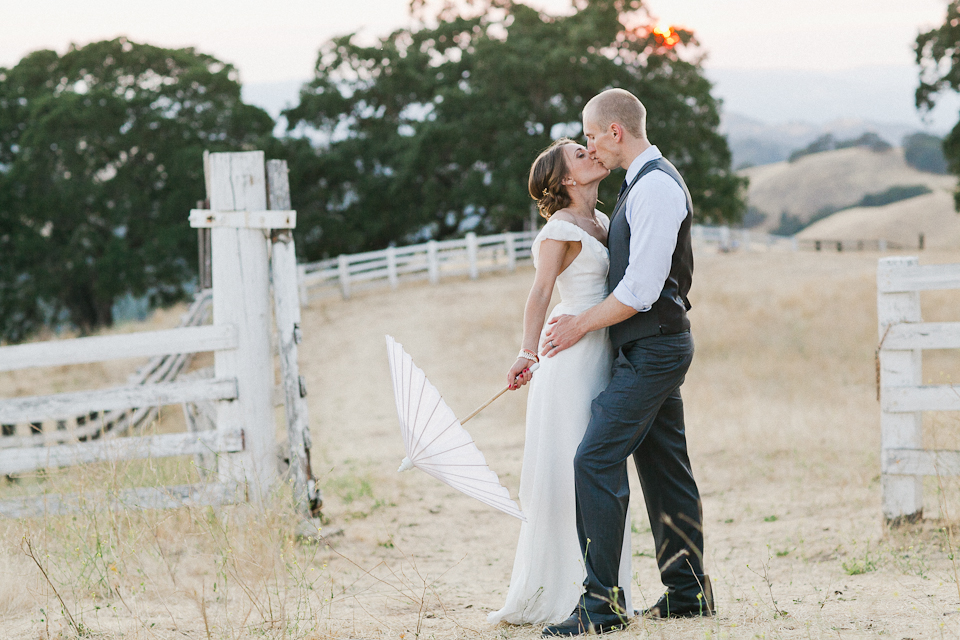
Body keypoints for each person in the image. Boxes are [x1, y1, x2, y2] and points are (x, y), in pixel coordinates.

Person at [540, 88, 713, 637]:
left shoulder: (656, 187)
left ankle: (600, 606)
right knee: (664, 467)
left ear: (615, 132)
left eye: (591, 135)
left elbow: (640, 288)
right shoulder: (638, 185)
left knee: (594, 459)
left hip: (656, 345)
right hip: (648, 344)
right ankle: (688, 593)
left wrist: (579, 324)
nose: (589, 146)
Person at [487, 137, 633, 626]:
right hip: (569, 358)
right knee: (574, 468)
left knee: (600, 468)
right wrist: (527, 353)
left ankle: (600, 585)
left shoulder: (604, 221)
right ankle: (563, 591)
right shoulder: (561, 228)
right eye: (578, 153)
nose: (591, 152)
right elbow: (540, 293)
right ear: (566, 179)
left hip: (602, 352)